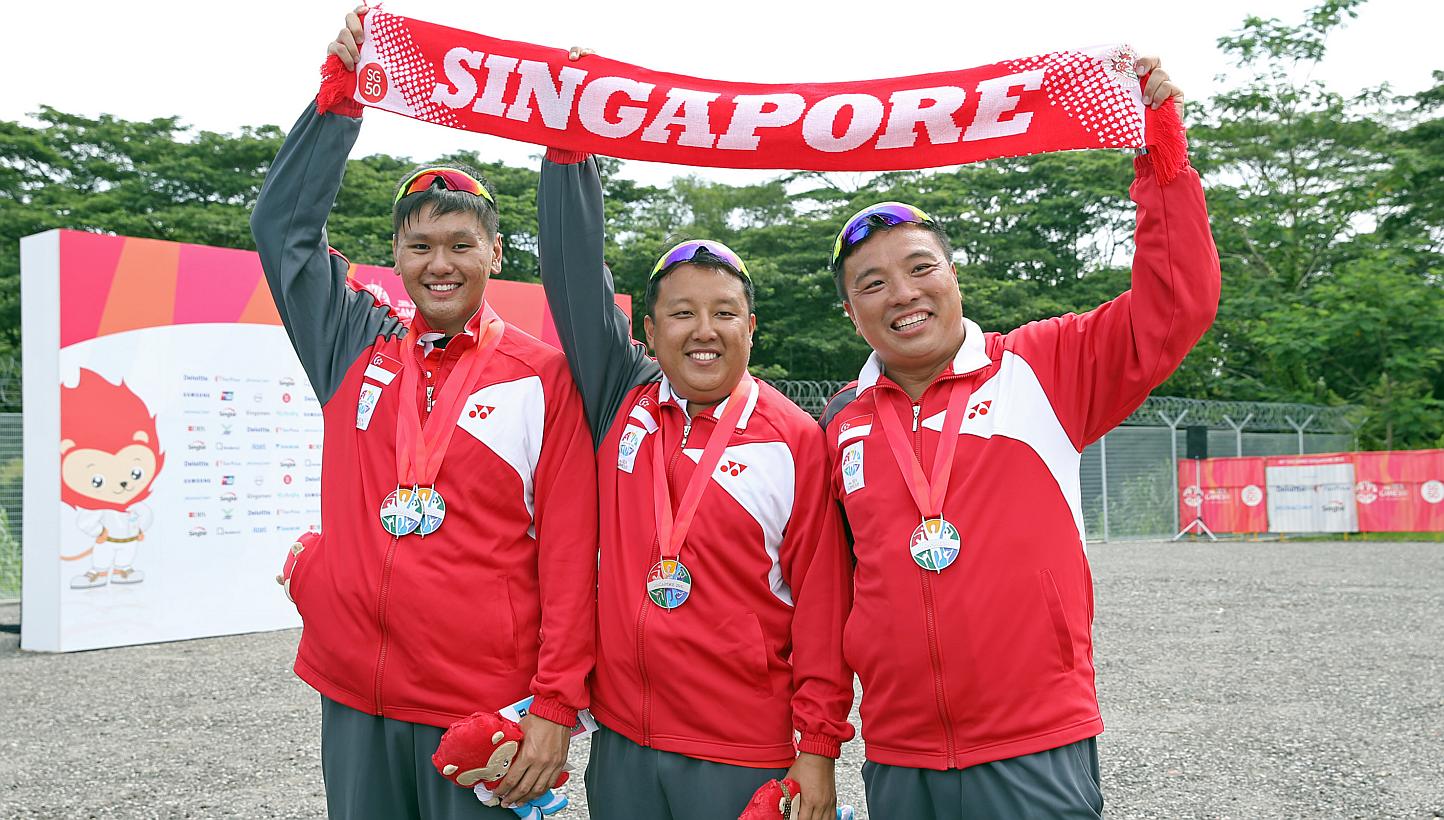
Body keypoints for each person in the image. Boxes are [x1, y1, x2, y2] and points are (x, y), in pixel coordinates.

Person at [818, 60, 1218, 819]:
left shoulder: (1043, 365)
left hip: (1034, 743)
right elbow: (831, 589)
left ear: (953, 276)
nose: (901, 294)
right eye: (872, 283)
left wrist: (1160, 159)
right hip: (899, 754)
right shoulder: (840, 421)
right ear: (851, 312)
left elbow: (1176, 303)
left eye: (918, 268)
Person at [250, 9, 598, 818]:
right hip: (355, 696)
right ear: (396, 257)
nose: (440, 263)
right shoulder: (353, 346)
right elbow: (283, 231)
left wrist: (554, 705)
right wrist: (339, 103)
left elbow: (572, 554)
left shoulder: (543, 377)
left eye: (461, 244)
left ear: (496, 255)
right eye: (420, 246)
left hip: (481, 709)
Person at [536, 136, 855, 817]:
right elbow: (570, 276)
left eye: (725, 313)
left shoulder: (796, 440)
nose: (703, 330)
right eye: (682, 314)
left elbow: (824, 612)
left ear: (752, 328)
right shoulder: (621, 397)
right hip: (623, 743)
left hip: (741, 752)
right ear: (648, 332)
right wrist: (567, 152)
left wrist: (818, 747)